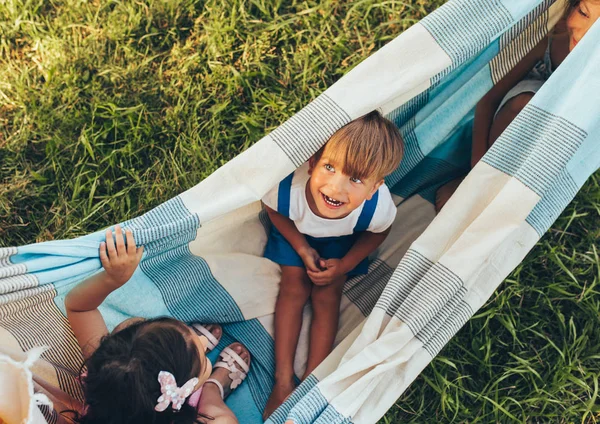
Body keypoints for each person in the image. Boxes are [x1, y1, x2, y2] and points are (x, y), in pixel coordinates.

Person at [261, 111, 404, 419]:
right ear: (312, 163)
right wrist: (300, 248)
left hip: (341, 243)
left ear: (374, 188)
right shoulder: (289, 189)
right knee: (294, 286)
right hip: (294, 234)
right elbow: (275, 211)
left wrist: (345, 265)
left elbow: (380, 232)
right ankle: (283, 380)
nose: (336, 188)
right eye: (329, 167)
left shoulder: (377, 209)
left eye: (355, 179)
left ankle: (310, 386)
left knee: (328, 294)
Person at [64, 225, 251, 424]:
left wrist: (112, 279)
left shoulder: (110, 374)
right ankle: (212, 390)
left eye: (197, 341)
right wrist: (210, 393)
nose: (205, 339)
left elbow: (79, 308)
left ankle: (188, 356)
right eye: (202, 355)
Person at [435, 0, 600, 212]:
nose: (586, 34)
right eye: (583, 13)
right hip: (513, 118)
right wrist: (473, 173)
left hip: (550, 143)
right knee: (526, 104)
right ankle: (476, 184)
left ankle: (501, 197)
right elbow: (489, 99)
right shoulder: (551, 41)